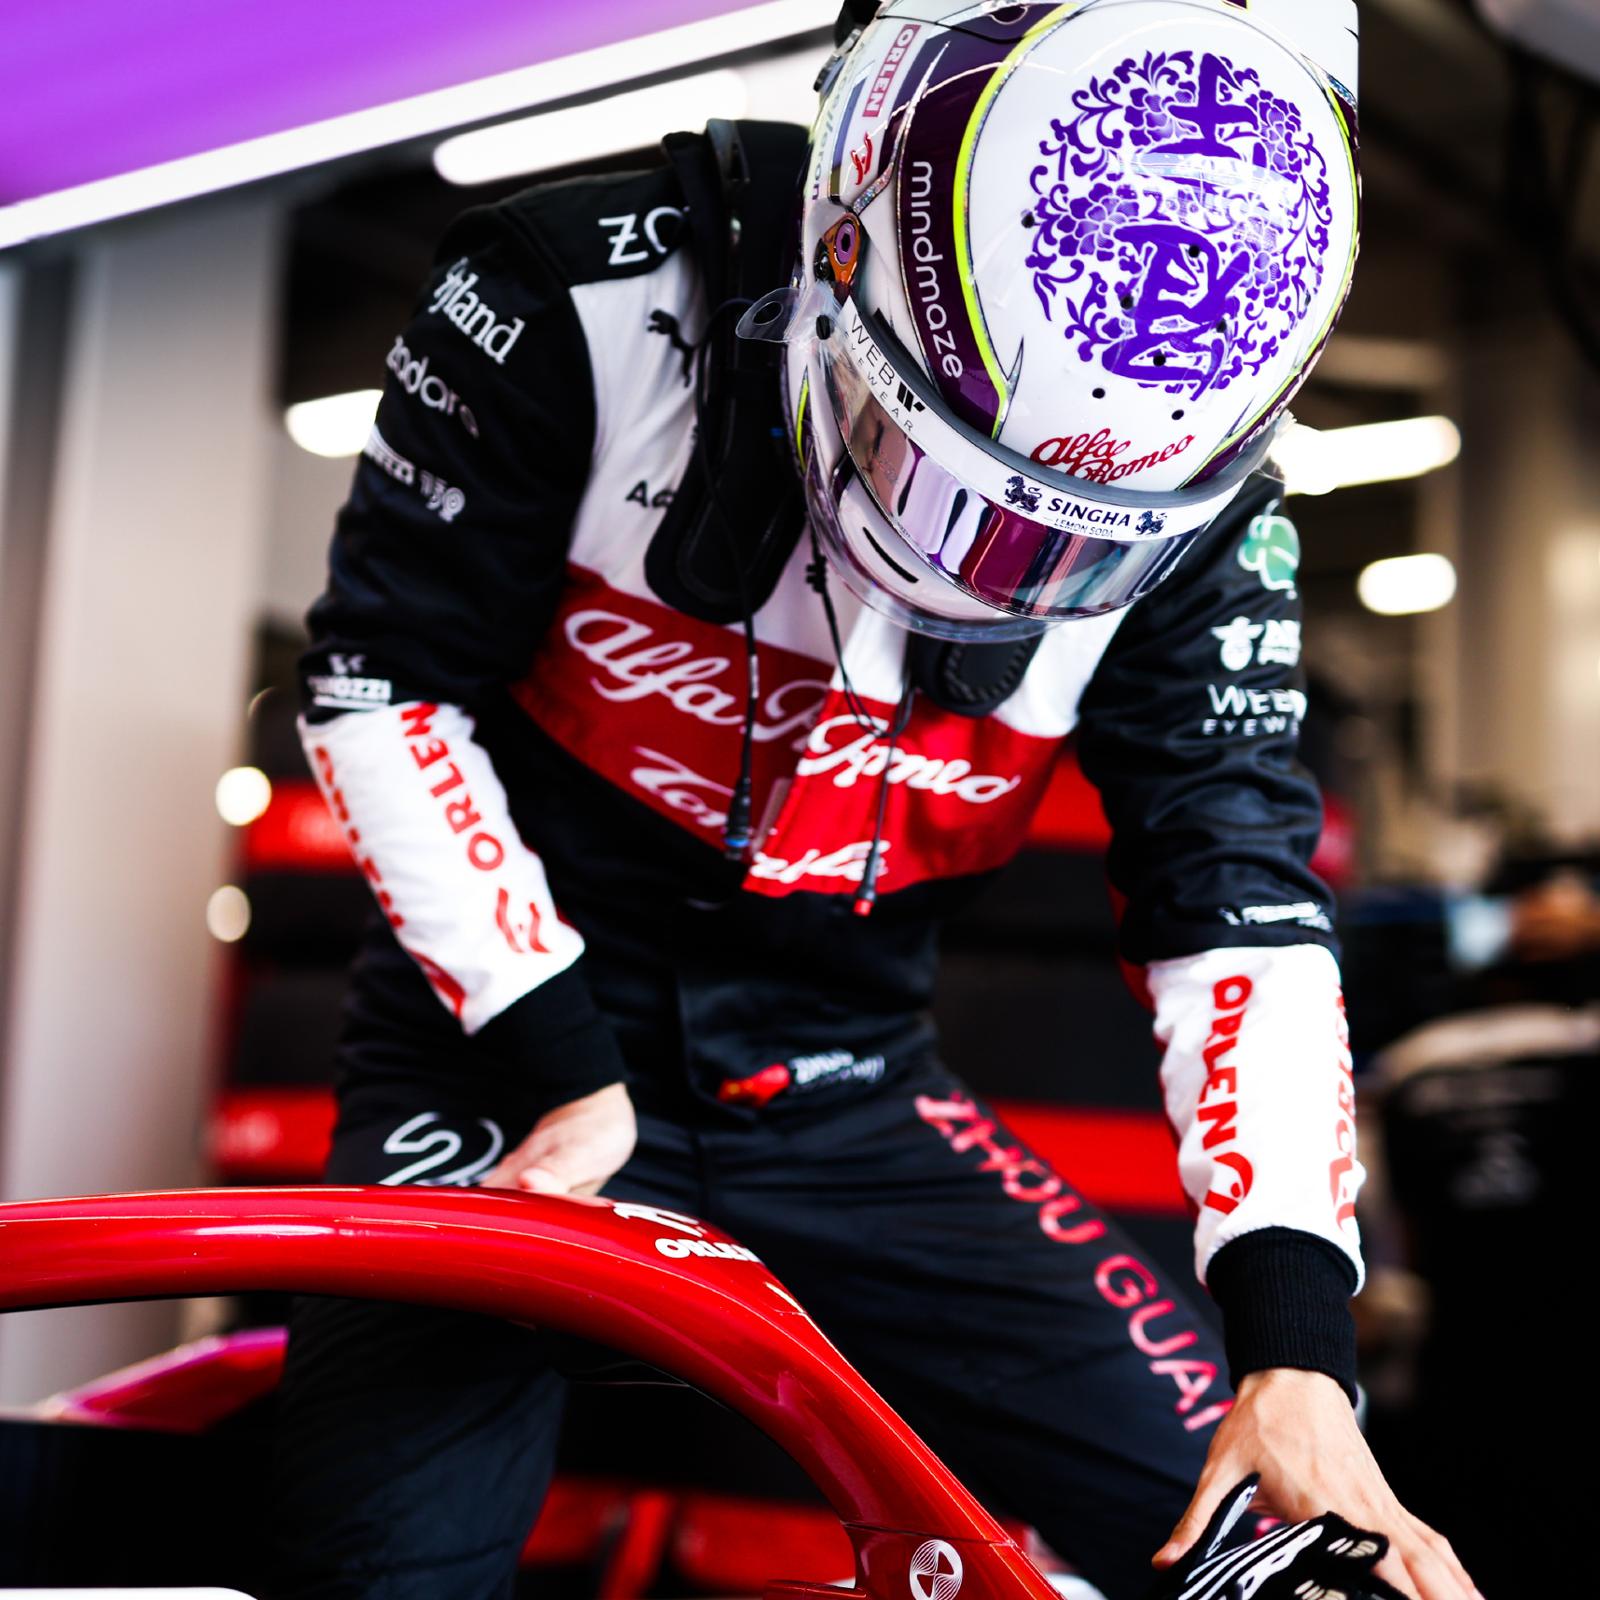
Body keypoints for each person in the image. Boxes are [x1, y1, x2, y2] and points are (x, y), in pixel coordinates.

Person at [269, 3, 1479, 1597]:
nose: (994, 572)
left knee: (1275, 1555)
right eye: (957, 483)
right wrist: (555, 1051)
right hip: (506, 1060)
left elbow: (1239, 908)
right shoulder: (568, 295)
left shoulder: (1208, 505)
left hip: (849, 1085)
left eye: (1071, 541)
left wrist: (1298, 1351)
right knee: (378, 1572)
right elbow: (379, 684)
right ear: (839, 252)